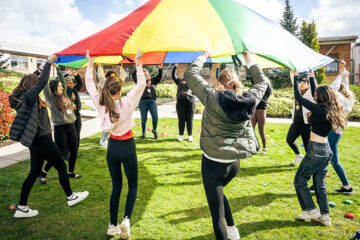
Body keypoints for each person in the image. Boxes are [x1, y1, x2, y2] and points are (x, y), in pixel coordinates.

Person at [184, 51, 268, 240]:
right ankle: (232, 229)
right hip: (234, 164)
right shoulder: (250, 98)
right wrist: (249, 61)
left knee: (217, 215)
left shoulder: (212, 97)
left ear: (220, 84)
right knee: (219, 194)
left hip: (213, 164)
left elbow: (190, 74)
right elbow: (262, 82)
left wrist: (203, 56)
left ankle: (227, 228)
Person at [9, 55, 88, 218]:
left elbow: (34, 78)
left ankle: (22, 207)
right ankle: (70, 196)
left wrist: (38, 70)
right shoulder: (30, 97)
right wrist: (48, 63)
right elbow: (42, 80)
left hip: (36, 142)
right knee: (61, 165)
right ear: (32, 86)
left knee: (34, 172)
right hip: (42, 139)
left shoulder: (25, 97)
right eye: (35, 83)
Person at [85, 49, 145, 238]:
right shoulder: (126, 102)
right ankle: (126, 219)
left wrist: (90, 63)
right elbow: (141, 84)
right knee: (133, 185)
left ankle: (112, 225)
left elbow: (89, 84)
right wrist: (138, 63)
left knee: (116, 187)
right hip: (127, 146)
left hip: (113, 148)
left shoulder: (100, 102)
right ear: (119, 90)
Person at [292, 70, 347, 226]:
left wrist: (295, 77)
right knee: (319, 184)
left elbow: (298, 97)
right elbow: (317, 95)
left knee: (300, 181)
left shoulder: (319, 110)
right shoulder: (329, 109)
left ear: (319, 97)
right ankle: (325, 216)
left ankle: (311, 210)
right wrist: (311, 76)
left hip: (316, 150)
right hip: (326, 150)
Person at [39, 64, 81, 182]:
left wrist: (58, 68)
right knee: (59, 153)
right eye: (59, 87)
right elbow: (44, 85)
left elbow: (62, 80)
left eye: (61, 86)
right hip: (60, 128)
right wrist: (46, 67)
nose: (62, 88)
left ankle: (70, 172)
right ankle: (43, 172)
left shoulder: (65, 95)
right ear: (53, 89)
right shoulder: (51, 98)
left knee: (74, 150)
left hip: (71, 126)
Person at [286, 72, 315, 165]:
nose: (301, 84)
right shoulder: (298, 92)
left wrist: (311, 76)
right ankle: (298, 155)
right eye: (301, 82)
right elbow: (294, 83)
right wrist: (293, 73)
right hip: (296, 122)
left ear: (308, 85)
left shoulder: (310, 93)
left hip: (306, 124)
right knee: (289, 140)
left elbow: (314, 85)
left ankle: (310, 165)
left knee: (307, 146)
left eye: (304, 82)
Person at [97, 64, 126, 148]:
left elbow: (123, 77)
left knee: (115, 122)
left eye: (114, 77)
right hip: (107, 105)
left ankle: (111, 138)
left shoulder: (117, 83)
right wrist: (99, 67)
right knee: (108, 122)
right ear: (107, 78)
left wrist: (121, 68)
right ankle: (103, 140)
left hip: (116, 105)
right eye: (111, 77)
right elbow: (101, 77)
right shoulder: (105, 84)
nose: (113, 78)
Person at [132, 64, 162, 139]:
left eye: (146, 74)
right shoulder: (140, 82)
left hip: (152, 101)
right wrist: (138, 66)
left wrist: (160, 69)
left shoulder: (153, 80)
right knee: (143, 118)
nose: (146, 75)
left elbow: (159, 76)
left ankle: (154, 130)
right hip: (143, 101)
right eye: (144, 74)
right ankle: (143, 133)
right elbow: (133, 75)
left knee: (155, 117)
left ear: (149, 74)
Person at [172, 63, 196, 142]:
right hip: (180, 102)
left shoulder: (192, 81)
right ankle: (180, 135)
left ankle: (190, 135)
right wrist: (175, 66)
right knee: (181, 119)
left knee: (189, 119)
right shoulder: (179, 81)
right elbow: (173, 75)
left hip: (190, 102)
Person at [64, 69, 83, 158]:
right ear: (65, 84)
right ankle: (66, 153)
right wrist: (66, 74)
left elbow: (80, 84)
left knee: (77, 133)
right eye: (69, 83)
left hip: (76, 114)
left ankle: (75, 151)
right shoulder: (63, 91)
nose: (71, 84)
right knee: (69, 134)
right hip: (68, 115)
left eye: (72, 83)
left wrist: (76, 75)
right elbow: (58, 79)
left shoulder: (74, 90)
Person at [251, 78, 272, 154]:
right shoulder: (256, 86)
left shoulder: (267, 87)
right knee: (251, 130)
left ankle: (264, 148)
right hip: (254, 110)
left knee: (261, 131)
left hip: (261, 111)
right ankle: (254, 147)